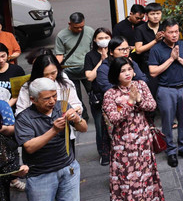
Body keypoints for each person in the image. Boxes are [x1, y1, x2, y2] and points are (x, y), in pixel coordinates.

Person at [16, 77, 86, 201]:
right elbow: (29, 147)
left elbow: (84, 128)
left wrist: (76, 119)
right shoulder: (24, 118)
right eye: (47, 98)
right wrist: (54, 130)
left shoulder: (62, 106)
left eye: (54, 96)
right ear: (33, 99)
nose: (52, 101)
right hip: (41, 174)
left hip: (68, 167)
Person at [102, 57, 164, 201]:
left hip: (143, 139)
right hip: (124, 144)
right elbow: (114, 118)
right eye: (122, 71)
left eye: (129, 69)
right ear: (115, 74)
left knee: (145, 176)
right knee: (128, 181)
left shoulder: (141, 85)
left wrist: (138, 100)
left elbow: (152, 106)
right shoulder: (110, 94)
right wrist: (130, 101)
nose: (127, 73)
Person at [148, 19, 183, 168]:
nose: (174, 35)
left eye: (176, 32)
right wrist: (170, 59)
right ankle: (170, 151)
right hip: (166, 89)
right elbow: (153, 72)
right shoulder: (156, 49)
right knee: (167, 121)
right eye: (170, 32)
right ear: (163, 33)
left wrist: (178, 58)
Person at [16, 54, 83, 127]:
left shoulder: (65, 84)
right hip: (38, 130)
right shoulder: (27, 88)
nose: (50, 77)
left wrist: (75, 111)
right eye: (45, 74)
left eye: (53, 73)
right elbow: (20, 113)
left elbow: (75, 103)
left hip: (63, 130)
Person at [54, 12, 95, 121]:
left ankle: (97, 116)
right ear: (70, 24)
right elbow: (59, 54)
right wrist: (55, 68)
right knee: (76, 97)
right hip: (70, 70)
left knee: (94, 93)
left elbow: (94, 49)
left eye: (82, 26)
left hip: (87, 69)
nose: (80, 30)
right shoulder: (61, 35)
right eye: (77, 28)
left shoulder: (90, 31)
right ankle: (83, 118)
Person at [83, 28, 113, 165]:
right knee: (100, 127)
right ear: (95, 40)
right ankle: (103, 153)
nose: (103, 40)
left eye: (106, 37)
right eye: (100, 38)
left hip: (114, 94)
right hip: (98, 97)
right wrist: (102, 60)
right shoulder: (90, 56)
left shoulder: (115, 52)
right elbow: (89, 77)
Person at [134, 2, 164, 97]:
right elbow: (138, 49)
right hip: (148, 65)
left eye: (158, 13)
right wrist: (155, 41)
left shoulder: (165, 27)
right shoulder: (140, 29)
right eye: (152, 14)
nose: (155, 16)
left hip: (165, 63)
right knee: (152, 93)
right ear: (146, 15)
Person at [0, 44, 25, 108]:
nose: (1, 60)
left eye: (3, 56)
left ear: (8, 55)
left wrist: (5, 108)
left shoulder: (16, 70)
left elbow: (18, 94)